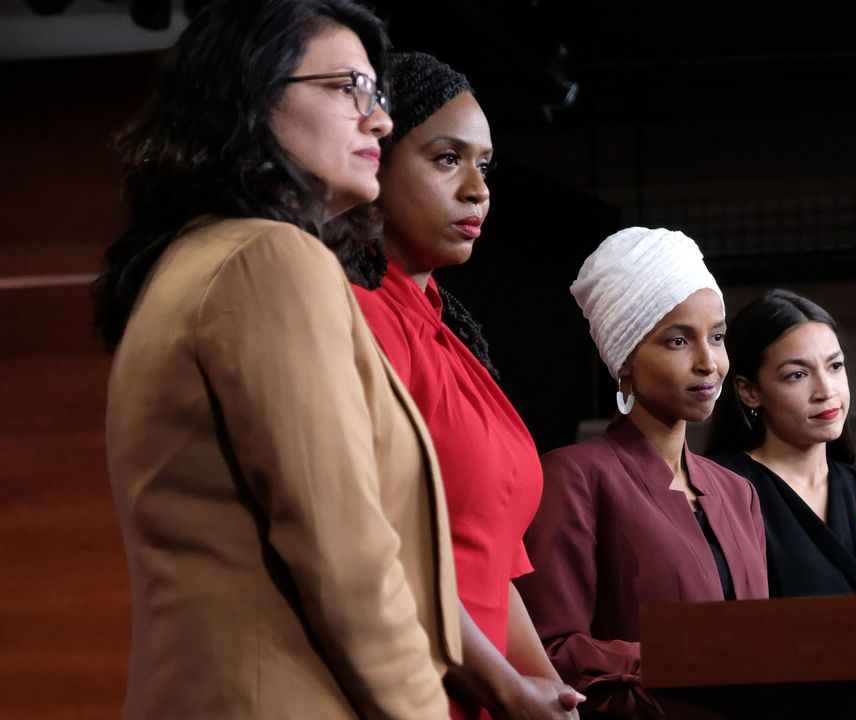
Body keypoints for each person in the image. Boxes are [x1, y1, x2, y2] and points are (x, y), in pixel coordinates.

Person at [92, 2, 459, 717]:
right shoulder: (269, 259)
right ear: (253, 97)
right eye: (347, 87)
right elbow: (345, 557)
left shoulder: (199, 259)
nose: (379, 119)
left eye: (376, 94)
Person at [346, 52, 581, 720]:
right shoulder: (360, 318)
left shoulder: (453, 335)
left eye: (485, 165)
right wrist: (507, 689)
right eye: (447, 158)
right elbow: (374, 547)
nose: (478, 189)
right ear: (375, 161)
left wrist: (551, 691)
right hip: (406, 694)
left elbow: (491, 562)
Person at [516, 227, 769, 718]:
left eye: (716, 337)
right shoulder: (576, 477)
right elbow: (549, 651)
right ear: (624, 360)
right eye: (678, 340)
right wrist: (688, 660)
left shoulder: (739, 493)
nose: (708, 363)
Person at [705, 289, 856, 597]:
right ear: (749, 391)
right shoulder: (721, 487)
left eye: (835, 366)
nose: (825, 390)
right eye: (797, 375)